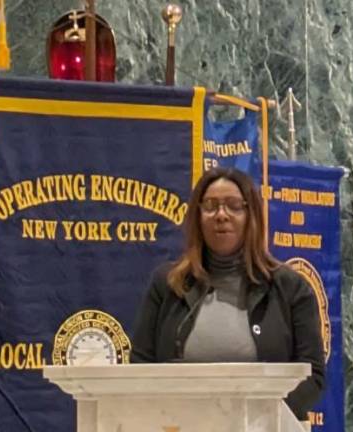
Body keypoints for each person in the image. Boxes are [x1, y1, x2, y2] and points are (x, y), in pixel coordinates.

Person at [131, 167, 325, 420]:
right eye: (210, 205)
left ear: (251, 215)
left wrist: (258, 418)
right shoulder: (168, 283)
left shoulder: (290, 287)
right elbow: (140, 366)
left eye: (234, 206)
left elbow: (313, 377)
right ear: (197, 217)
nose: (221, 215)